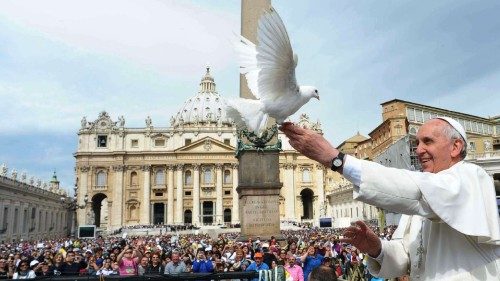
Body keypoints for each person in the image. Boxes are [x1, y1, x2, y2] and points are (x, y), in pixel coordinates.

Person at [280, 117, 500, 280]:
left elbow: (416, 189)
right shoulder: (421, 200)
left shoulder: (472, 177)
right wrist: (377, 248)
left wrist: (336, 159)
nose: (419, 149)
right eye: (417, 143)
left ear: (455, 147)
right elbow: (404, 259)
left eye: (428, 141)